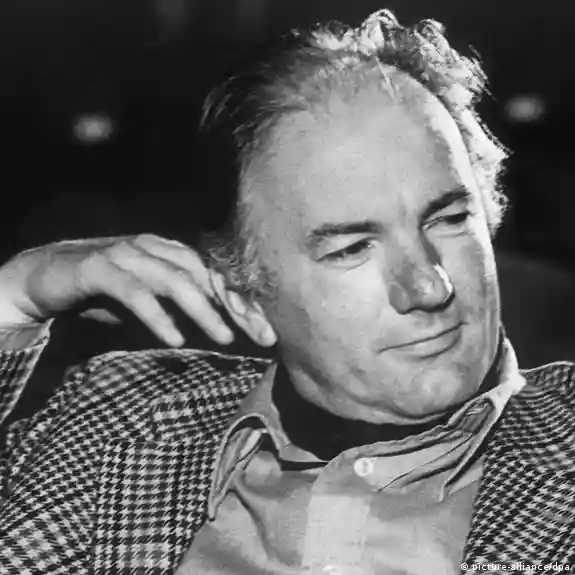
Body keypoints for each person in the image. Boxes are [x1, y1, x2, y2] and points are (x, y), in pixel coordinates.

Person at [0, 9, 574, 575]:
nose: (428, 286)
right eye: (352, 248)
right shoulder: (116, 417)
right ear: (246, 298)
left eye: (449, 218)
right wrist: (16, 295)